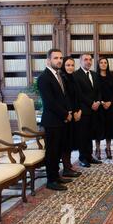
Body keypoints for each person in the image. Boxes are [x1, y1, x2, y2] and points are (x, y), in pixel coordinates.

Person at [37, 49, 73, 191]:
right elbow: (50, 102)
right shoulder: (44, 78)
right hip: (52, 121)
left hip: (61, 120)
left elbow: (63, 97)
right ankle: (51, 181)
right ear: (48, 61)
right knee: (52, 152)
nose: (59, 60)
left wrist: (67, 112)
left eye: (60, 58)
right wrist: (65, 114)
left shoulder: (59, 75)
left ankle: (57, 176)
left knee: (58, 150)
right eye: (56, 58)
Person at [73, 54, 102, 167]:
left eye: (90, 60)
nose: (88, 62)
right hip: (84, 110)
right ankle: (82, 158)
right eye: (86, 60)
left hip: (94, 110)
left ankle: (89, 156)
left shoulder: (95, 74)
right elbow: (79, 93)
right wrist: (91, 103)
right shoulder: (76, 75)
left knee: (90, 135)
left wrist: (98, 102)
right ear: (80, 61)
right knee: (83, 135)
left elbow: (99, 91)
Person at [60, 56, 82, 178]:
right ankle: (66, 167)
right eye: (68, 65)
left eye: (72, 65)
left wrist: (79, 111)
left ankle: (68, 166)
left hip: (75, 113)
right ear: (64, 66)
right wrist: (71, 112)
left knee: (71, 141)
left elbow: (78, 96)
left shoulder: (74, 78)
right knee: (66, 142)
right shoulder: (62, 78)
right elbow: (65, 97)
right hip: (67, 115)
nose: (70, 67)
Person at [94, 57, 113, 160]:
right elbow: (95, 91)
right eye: (101, 62)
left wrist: (110, 102)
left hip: (110, 106)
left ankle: (108, 148)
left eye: (105, 63)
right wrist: (102, 102)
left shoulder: (111, 77)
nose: (103, 64)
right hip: (99, 106)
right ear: (98, 64)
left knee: (109, 129)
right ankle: (98, 149)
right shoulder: (95, 77)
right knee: (99, 129)